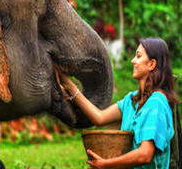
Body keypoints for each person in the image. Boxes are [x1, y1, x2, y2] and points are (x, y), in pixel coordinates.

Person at [58, 37, 179, 169]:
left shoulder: (157, 103)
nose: (133, 61)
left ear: (151, 64)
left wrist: (105, 165)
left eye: (138, 56)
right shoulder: (132, 100)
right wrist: (70, 86)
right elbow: (99, 117)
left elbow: (145, 154)